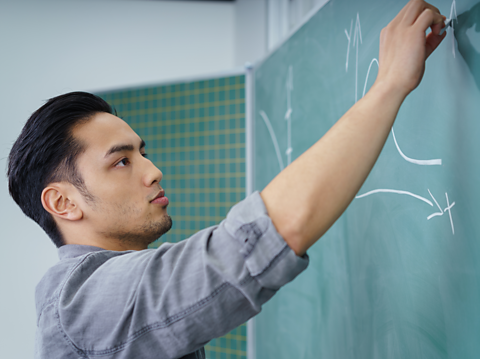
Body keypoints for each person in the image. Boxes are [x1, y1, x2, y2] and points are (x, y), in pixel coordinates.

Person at [7, 1, 447, 358]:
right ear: (63, 203)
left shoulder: (109, 293)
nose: (153, 170)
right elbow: (249, 247)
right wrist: (389, 84)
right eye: (121, 162)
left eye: (143, 153)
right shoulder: (86, 302)